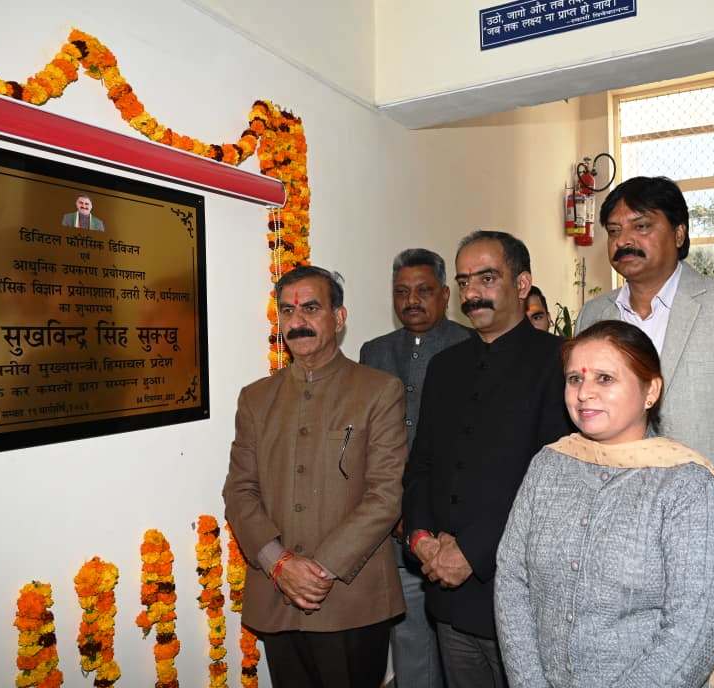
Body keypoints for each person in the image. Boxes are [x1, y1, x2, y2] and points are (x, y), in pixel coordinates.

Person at [496, 320, 714, 687]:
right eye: (574, 379)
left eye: (605, 379)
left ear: (651, 391)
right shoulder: (548, 465)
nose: (584, 393)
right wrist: (529, 682)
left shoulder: (686, 485)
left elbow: (693, 633)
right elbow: (512, 580)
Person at [574, 176, 714, 607]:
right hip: (617, 549)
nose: (624, 240)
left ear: (679, 233)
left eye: (641, 226)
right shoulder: (594, 316)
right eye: (614, 231)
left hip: (712, 543)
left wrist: (704, 525)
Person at [223, 266, 408, 688]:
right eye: (287, 311)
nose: (297, 321)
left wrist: (319, 571)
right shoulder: (256, 399)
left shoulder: (379, 391)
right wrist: (279, 563)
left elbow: (385, 495)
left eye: (311, 308)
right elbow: (239, 489)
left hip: (351, 598)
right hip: (276, 594)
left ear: (338, 318)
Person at [403, 231, 573, 688]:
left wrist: (472, 552)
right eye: (464, 282)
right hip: (447, 592)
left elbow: (552, 483)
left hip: (518, 594)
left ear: (522, 284)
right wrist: (420, 537)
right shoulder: (445, 366)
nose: (472, 293)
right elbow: (421, 465)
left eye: (487, 278)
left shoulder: (560, 362)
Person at [360, 248, 470, 688]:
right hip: (391, 521)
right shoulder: (375, 352)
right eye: (401, 292)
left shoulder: (470, 346)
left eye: (423, 291)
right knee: (407, 634)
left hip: (453, 525)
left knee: (461, 644)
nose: (412, 301)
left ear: (445, 295)